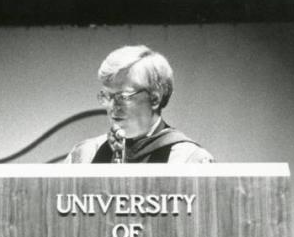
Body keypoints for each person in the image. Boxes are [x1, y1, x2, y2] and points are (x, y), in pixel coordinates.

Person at [65, 45, 214, 164]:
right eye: (107, 96)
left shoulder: (189, 160)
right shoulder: (85, 155)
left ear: (155, 99)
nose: (112, 106)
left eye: (123, 97)